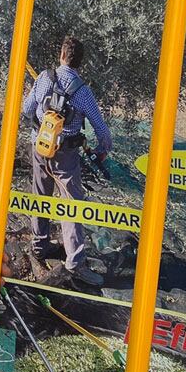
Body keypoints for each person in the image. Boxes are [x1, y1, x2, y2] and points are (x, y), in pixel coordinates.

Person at [22, 36, 113, 289]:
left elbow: (27, 110)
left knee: (40, 195)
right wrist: (102, 150)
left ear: (62, 55)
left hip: (39, 146)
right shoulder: (83, 92)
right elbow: (102, 130)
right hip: (66, 154)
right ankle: (75, 263)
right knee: (71, 205)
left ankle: (39, 245)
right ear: (80, 62)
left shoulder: (43, 77)